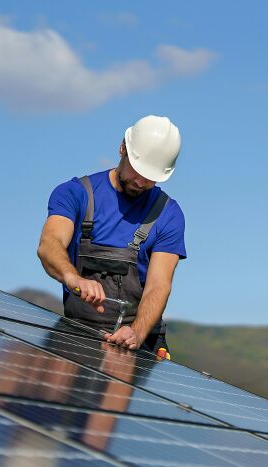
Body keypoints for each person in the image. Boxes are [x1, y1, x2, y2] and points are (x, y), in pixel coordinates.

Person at [37, 115, 186, 354]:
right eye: (137, 170)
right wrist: (73, 278)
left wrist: (136, 333)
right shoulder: (75, 194)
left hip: (138, 341)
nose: (140, 181)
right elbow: (49, 244)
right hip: (78, 334)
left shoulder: (168, 214)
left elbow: (159, 285)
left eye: (150, 177)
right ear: (122, 148)